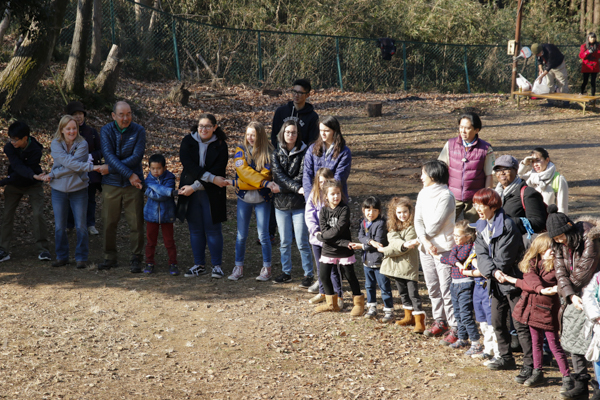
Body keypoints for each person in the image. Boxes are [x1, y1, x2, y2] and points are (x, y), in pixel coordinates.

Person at [472, 188, 533, 385]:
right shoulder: (482, 225)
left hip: (513, 282)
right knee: (498, 322)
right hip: (495, 282)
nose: (477, 209)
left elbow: (504, 258)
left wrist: (494, 270)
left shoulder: (507, 225)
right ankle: (506, 358)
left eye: (481, 206)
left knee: (521, 325)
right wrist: (492, 272)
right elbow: (480, 254)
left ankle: (529, 364)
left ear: (492, 206)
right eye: (475, 205)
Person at [504, 233, 571, 389]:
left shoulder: (558, 267)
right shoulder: (532, 265)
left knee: (554, 345)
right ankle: (537, 371)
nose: (552, 251)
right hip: (532, 310)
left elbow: (533, 283)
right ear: (540, 249)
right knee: (536, 343)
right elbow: (530, 281)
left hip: (548, 312)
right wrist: (540, 290)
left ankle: (567, 376)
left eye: (554, 248)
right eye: (548, 248)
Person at [549, 204, 600, 397]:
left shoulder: (591, 238)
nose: (560, 241)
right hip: (574, 295)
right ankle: (580, 384)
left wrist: (569, 291)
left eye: (561, 237)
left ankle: (598, 386)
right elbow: (559, 270)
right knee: (572, 336)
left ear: (569, 230)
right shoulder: (559, 244)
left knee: (595, 342)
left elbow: (584, 272)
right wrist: (569, 295)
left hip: (593, 293)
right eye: (555, 239)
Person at [45, 115, 106, 269]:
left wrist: (53, 173)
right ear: (62, 130)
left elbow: (75, 166)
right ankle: (62, 256)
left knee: (81, 225)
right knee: (60, 225)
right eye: (68, 129)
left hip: (78, 189)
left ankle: (81, 257)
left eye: (74, 128)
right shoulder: (56, 143)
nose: (72, 131)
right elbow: (72, 165)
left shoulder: (83, 144)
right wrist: (91, 167)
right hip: (58, 190)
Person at [177, 114, 229, 279]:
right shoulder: (187, 141)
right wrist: (209, 180)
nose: (203, 129)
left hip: (211, 192)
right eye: (201, 126)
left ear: (215, 127)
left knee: (213, 229)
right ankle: (199, 265)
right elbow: (189, 166)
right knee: (195, 230)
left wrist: (196, 186)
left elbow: (218, 171)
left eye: (207, 126)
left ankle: (217, 266)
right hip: (190, 192)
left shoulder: (221, 145)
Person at [98, 101, 146, 272]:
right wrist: (129, 174)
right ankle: (109, 257)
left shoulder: (139, 131)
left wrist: (112, 169)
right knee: (109, 222)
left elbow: (136, 157)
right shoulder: (106, 130)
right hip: (111, 184)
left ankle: (136, 257)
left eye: (129, 114)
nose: (126, 118)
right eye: (121, 115)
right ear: (113, 115)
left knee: (136, 223)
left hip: (134, 184)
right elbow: (109, 156)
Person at [414, 160, 457, 343]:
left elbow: (436, 225)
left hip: (444, 250)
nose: (421, 177)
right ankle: (440, 321)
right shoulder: (423, 193)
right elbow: (418, 220)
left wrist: (424, 239)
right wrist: (423, 241)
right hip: (426, 248)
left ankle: (455, 327)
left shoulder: (446, 196)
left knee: (446, 288)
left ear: (432, 176)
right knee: (432, 287)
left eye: (423, 173)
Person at [230, 121, 278, 281]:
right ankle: (238, 267)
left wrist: (238, 182)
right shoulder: (240, 150)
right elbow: (243, 171)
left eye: (254, 135)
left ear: (260, 135)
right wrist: (263, 183)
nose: (250, 138)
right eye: (248, 134)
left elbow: (266, 175)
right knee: (241, 235)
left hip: (262, 199)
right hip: (244, 198)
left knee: (263, 235)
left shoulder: (269, 151)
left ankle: (267, 268)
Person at [0, 121, 51, 262]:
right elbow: (17, 167)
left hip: (33, 184)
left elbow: (23, 170)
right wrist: (5, 182)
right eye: (11, 139)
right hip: (14, 184)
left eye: (15, 139)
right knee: (7, 215)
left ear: (25, 138)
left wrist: (34, 176)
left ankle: (43, 249)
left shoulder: (35, 149)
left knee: (38, 214)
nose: (12, 142)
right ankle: (3, 249)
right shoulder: (9, 148)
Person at [271, 120, 313, 286]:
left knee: (302, 241)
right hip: (281, 205)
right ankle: (286, 272)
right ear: (283, 133)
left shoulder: (304, 152)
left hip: (299, 205)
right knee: (284, 241)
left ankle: (308, 274)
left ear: (298, 134)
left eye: (294, 132)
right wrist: (295, 188)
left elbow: (303, 176)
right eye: (288, 132)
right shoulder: (275, 153)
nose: (290, 135)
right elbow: (278, 176)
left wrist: (285, 188)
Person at [314, 180, 364, 316]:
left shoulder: (344, 209)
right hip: (329, 248)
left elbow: (337, 230)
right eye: (332, 194)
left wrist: (321, 237)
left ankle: (359, 304)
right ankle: (332, 304)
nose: (336, 196)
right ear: (326, 196)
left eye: (338, 193)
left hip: (344, 249)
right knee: (324, 276)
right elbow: (325, 230)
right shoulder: (323, 211)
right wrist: (325, 237)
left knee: (350, 276)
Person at [376, 197, 424, 333]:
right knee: (403, 293)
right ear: (394, 213)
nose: (402, 215)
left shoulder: (413, 227)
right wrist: (401, 244)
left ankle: (419, 320)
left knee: (413, 294)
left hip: (409, 267)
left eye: (405, 212)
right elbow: (396, 241)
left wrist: (384, 250)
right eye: (399, 213)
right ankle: (408, 317)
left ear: (410, 211)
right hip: (397, 268)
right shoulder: (392, 227)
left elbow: (401, 247)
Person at [438, 111, 494, 223]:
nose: (463, 131)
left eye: (467, 128)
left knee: (473, 228)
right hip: (452, 196)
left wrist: (485, 197)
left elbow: (489, 174)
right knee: (445, 225)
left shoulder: (486, 149)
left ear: (476, 130)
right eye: (461, 127)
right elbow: (441, 169)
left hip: (475, 198)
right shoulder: (450, 144)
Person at [438, 220, 481, 355]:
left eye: (458, 236)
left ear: (468, 237)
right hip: (454, 284)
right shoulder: (456, 248)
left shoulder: (470, 247)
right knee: (457, 313)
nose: (455, 238)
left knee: (466, 314)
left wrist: (453, 260)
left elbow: (460, 257)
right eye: (454, 235)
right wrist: (452, 260)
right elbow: (450, 258)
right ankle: (462, 338)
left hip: (465, 284)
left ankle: (476, 342)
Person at [305, 168, 345, 310]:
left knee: (333, 269)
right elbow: (309, 215)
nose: (322, 184)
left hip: (331, 240)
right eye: (320, 182)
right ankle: (323, 293)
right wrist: (315, 231)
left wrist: (329, 235)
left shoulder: (334, 197)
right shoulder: (313, 195)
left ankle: (338, 295)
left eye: (326, 181)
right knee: (321, 268)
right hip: (316, 239)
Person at [349, 196, 392, 322]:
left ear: (379, 212)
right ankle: (372, 307)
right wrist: (370, 241)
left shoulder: (381, 223)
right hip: (367, 261)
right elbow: (360, 235)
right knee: (369, 285)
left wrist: (363, 245)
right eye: (368, 210)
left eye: (374, 210)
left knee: (384, 286)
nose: (371, 213)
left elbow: (379, 243)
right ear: (363, 210)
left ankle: (389, 310)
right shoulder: (363, 222)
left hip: (379, 261)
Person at [65, 101, 102, 235]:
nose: (78, 117)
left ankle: (90, 224)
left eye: (80, 114)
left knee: (90, 198)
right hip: (72, 171)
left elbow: (101, 150)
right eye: (75, 114)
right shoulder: (66, 133)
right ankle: (69, 224)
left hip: (89, 171)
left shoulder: (91, 132)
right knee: (70, 198)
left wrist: (91, 156)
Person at [493, 155, 547, 246]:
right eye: (498, 170)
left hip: (520, 246)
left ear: (516, 170)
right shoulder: (495, 195)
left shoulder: (528, 193)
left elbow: (538, 223)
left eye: (506, 169)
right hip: (499, 244)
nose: (501, 173)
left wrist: (507, 222)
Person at [302, 116, 352, 203]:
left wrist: (326, 198)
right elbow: (307, 175)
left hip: (335, 199)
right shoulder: (312, 149)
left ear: (334, 131)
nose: (323, 134)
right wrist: (310, 198)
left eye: (327, 131)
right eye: (321, 130)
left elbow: (339, 177)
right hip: (315, 198)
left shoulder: (344, 152)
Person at [143, 154, 178, 276]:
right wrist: (167, 192)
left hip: (167, 215)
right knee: (150, 241)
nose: (155, 171)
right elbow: (166, 193)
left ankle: (173, 263)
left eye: (158, 168)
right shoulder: (148, 179)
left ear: (164, 167)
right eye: (152, 169)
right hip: (151, 215)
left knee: (169, 241)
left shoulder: (170, 178)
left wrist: (148, 190)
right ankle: (149, 262)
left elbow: (163, 197)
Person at [518, 147, 569, 214]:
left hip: (550, 221)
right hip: (532, 220)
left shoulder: (559, 179)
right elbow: (514, 180)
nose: (535, 164)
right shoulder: (529, 177)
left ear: (547, 160)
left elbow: (562, 207)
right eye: (532, 162)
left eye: (538, 160)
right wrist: (524, 165)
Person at [271, 78, 319, 148]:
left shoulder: (312, 116)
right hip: (281, 153)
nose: (296, 95)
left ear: (307, 95)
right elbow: (274, 135)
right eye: (294, 92)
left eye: (300, 93)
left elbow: (312, 141)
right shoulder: (281, 111)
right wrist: (277, 152)